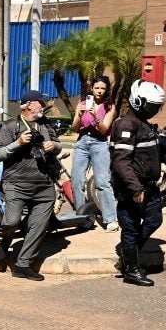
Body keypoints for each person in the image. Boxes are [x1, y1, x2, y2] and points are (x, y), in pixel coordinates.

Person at [0, 90, 62, 281]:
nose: (44, 105)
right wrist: (17, 143)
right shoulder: (9, 126)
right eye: (41, 102)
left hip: (44, 184)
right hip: (17, 183)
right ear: (30, 104)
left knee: (39, 225)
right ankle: (6, 241)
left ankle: (22, 265)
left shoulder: (46, 125)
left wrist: (53, 146)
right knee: (11, 222)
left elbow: (59, 145)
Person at [110, 80, 166, 286]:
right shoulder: (127, 125)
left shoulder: (143, 124)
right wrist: (135, 188)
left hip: (148, 186)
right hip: (132, 188)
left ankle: (128, 256)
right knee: (131, 228)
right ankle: (131, 270)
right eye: (152, 106)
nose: (154, 111)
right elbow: (121, 161)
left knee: (154, 220)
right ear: (139, 102)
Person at [70, 75, 118, 231]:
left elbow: (104, 129)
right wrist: (79, 114)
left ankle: (110, 219)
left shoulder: (110, 107)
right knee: (77, 181)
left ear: (106, 90)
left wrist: (95, 116)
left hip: (100, 143)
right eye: (97, 88)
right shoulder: (82, 104)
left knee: (102, 181)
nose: (99, 91)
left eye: (103, 88)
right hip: (82, 142)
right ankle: (82, 218)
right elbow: (74, 128)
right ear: (92, 88)